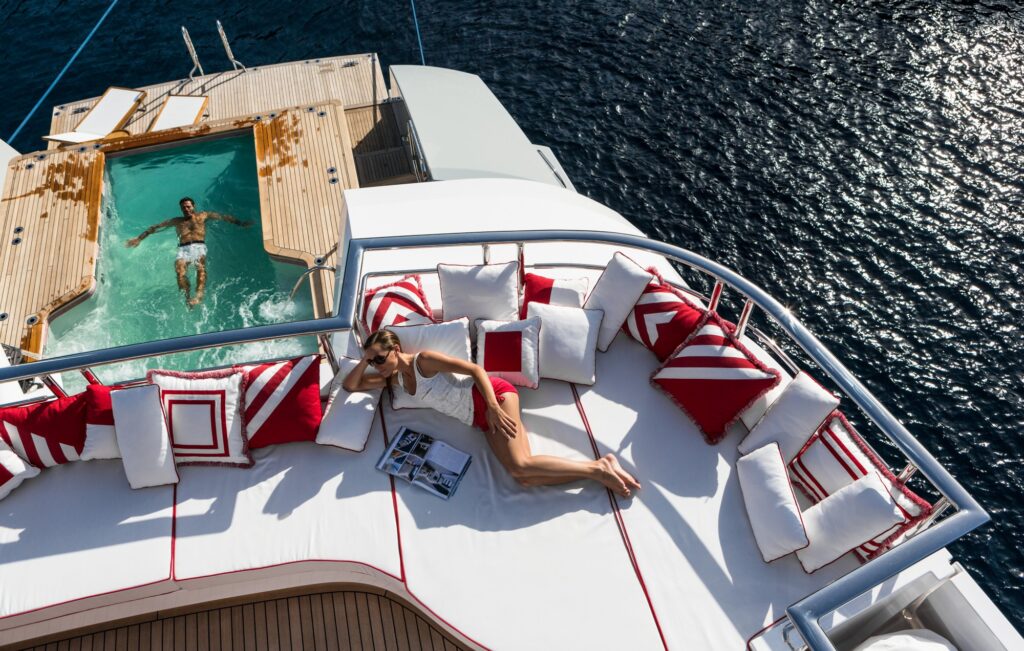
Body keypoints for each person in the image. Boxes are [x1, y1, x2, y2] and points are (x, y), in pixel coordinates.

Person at [343, 329, 641, 497]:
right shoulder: (391, 378)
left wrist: (494, 409)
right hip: (479, 418)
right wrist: (365, 359)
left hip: (493, 397)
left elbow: (475, 370)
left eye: (380, 358)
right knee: (524, 478)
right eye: (373, 361)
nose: (377, 365)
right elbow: (351, 385)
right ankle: (600, 468)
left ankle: (598, 470)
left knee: (521, 465)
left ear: (395, 349)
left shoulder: (425, 361)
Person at [125, 197, 252, 307]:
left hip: (198, 246)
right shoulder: (177, 221)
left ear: (193, 206)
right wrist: (139, 238)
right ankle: (187, 297)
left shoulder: (203, 216)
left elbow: (223, 217)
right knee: (180, 272)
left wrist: (240, 223)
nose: (186, 209)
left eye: (188, 206)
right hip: (183, 249)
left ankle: (198, 295)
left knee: (200, 268)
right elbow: (155, 228)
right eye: (183, 208)